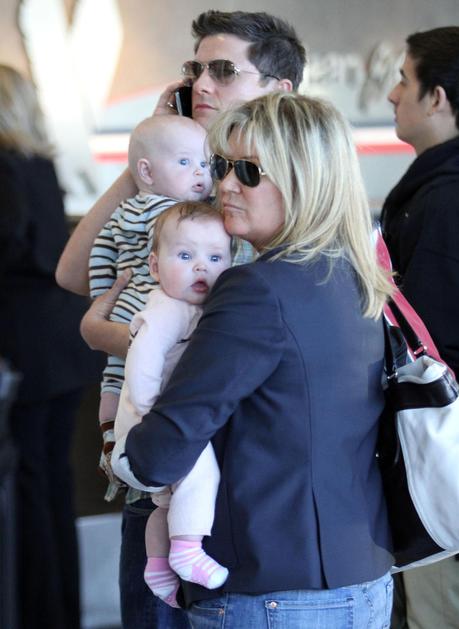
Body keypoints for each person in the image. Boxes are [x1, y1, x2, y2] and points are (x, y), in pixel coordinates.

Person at [56, 10, 306, 628]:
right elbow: (73, 272)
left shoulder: (282, 192)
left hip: (245, 471)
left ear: (279, 90)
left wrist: (120, 335)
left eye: (223, 70)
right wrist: (151, 154)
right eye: (195, 69)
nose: (202, 84)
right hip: (160, 451)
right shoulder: (180, 184)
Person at [116, 91, 395, 628]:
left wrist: (124, 452)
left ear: (301, 179)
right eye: (222, 165)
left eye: (248, 171)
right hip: (359, 576)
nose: (225, 184)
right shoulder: (358, 278)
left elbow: (165, 447)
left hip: (271, 589)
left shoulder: (256, 288)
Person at [0, 64, 103, 629]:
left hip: (24, 350)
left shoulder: (4, 168)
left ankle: (37, 612)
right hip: (63, 344)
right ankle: (60, 610)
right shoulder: (38, 165)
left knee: (28, 487)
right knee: (54, 482)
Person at [111, 201, 232, 607]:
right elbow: (142, 362)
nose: (201, 267)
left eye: (215, 258)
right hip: (148, 420)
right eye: (185, 256)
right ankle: (187, 549)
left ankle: (158, 567)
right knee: (201, 469)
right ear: (155, 266)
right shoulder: (168, 310)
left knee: (166, 502)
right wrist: (153, 416)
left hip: (159, 421)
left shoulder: (196, 308)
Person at [380, 26, 459, 629]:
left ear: (438, 97)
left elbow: (428, 348)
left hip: (444, 464)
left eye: (403, 80)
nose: (391, 94)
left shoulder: (442, 202)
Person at [89, 115, 212, 499]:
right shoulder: (177, 216)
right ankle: (138, 440)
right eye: (185, 163)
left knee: (114, 377)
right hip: (157, 308)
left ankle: (110, 439)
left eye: (205, 164)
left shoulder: (122, 211)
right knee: (148, 378)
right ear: (145, 171)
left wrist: (103, 299)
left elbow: (100, 253)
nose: (200, 173)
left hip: (124, 305)